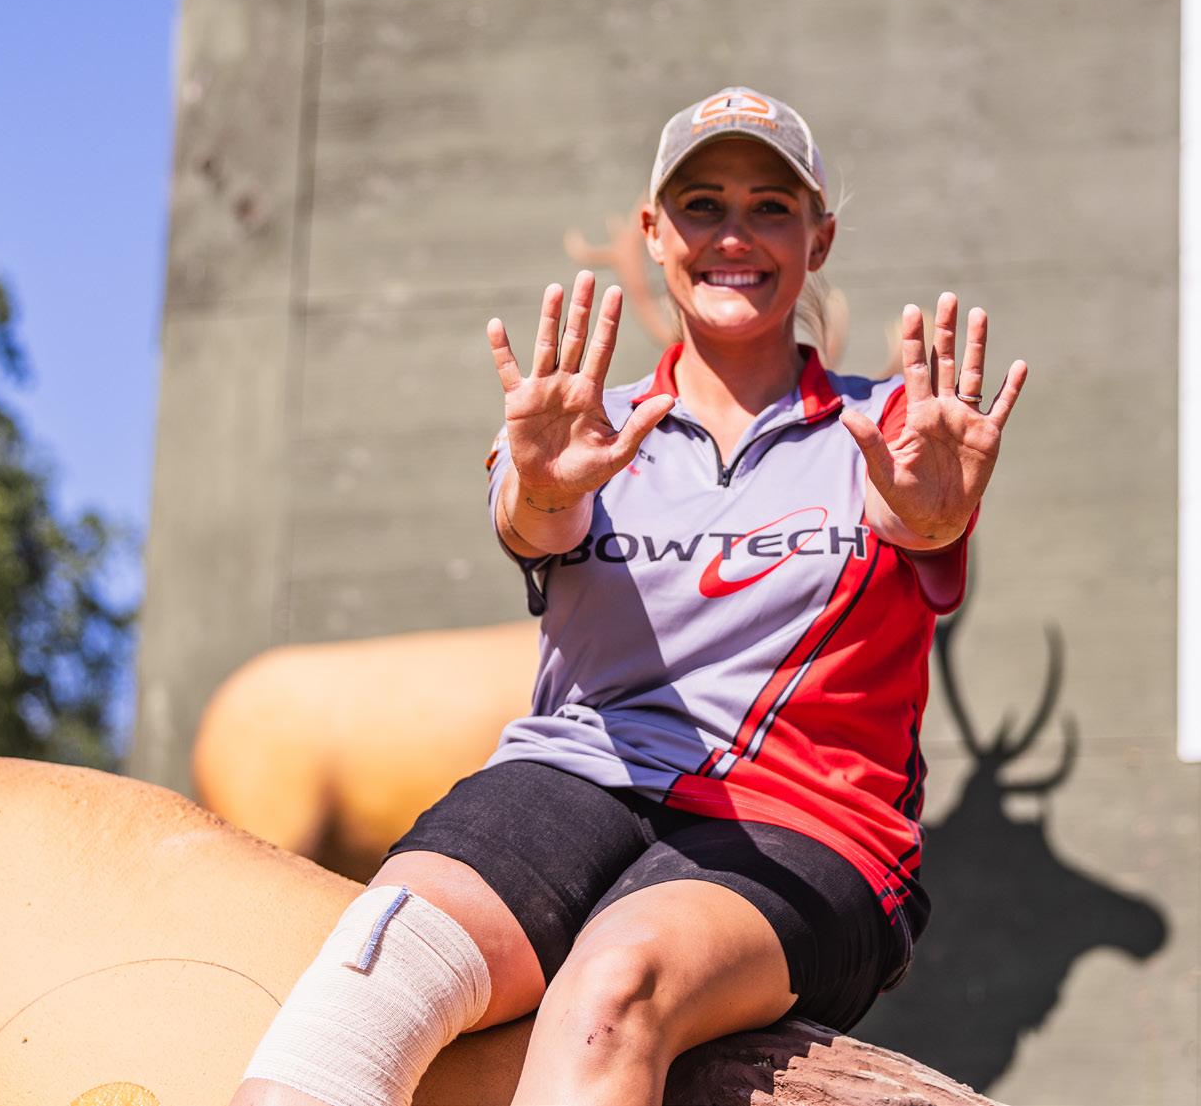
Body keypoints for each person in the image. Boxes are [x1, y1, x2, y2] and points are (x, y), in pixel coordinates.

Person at [230, 86, 1027, 1106]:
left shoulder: (894, 435)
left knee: (610, 991)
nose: (732, 234)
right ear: (652, 231)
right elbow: (532, 519)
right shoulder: (579, 423)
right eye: (701, 204)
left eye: (769, 206)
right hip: (574, 780)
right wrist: (544, 485)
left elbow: (924, 528)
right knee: (373, 962)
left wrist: (931, 519)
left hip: (805, 826)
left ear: (818, 237)